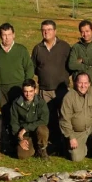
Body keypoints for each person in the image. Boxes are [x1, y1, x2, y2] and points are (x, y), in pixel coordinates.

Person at [0, 23, 34, 147]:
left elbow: (29, 68)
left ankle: (23, 138)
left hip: (19, 87)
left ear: (14, 35)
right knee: (6, 113)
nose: (7, 38)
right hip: (2, 88)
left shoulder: (21, 50)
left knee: (20, 113)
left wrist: (27, 85)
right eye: (4, 35)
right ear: (0, 36)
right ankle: (8, 140)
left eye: (9, 35)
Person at [31, 20, 70, 152]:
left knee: (64, 117)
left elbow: (70, 66)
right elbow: (35, 69)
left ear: (55, 31)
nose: (46, 32)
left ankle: (64, 144)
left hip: (61, 89)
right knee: (49, 118)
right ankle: (50, 144)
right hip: (45, 90)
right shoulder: (37, 48)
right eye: (43, 30)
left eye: (49, 29)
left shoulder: (64, 47)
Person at [59, 72, 92, 163]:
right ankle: (87, 148)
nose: (83, 86)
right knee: (76, 158)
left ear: (89, 84)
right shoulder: (69, 97)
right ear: (75, 83)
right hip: (77, 131)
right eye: (80, 83)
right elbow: (64, 120)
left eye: (86, 83)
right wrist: (71, 137)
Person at [10, 79, 49, 159]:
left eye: (31, 91)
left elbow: (44, 120)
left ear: (35, 90)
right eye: (25, 91)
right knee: (22, 155)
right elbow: (14, 123)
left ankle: (42, 150)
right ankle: (34, 147)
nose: (28, 94)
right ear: (22, 91)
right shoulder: (16, 103)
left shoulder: (41, 102)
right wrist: (20, 139)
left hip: (37, 131)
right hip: (24, 135)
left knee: (42, 129)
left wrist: (26, 128)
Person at [68, 20, 92, 84]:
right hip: (79, 83)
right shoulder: (76, 47)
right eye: (82, 32)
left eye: (87, 31)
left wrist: (82, 60)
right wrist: (89, 65)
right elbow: (71, 65)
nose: (85, 34)